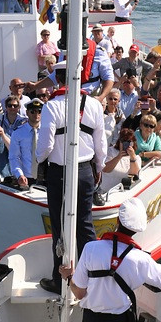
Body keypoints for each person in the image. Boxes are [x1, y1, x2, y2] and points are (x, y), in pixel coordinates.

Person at [36, 64, 108, 294]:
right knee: (85, 225)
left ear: (58, 79)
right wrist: (98, 167)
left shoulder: (50, 107)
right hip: (85, 170)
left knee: (59, 226)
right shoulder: (95, 105)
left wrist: (39, 162)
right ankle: (94, 279)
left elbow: (45, 146)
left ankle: (60, 282)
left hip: (58, 173)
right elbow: (101, 145)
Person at [9, 97, 43, 190]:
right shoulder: (18, 133)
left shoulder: (47, 131)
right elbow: (14, 157)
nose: (36, 114)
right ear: (27, 113)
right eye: (33, 111)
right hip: (26, 178)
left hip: (45, 177)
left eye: (39, 111)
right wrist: (19, 175)